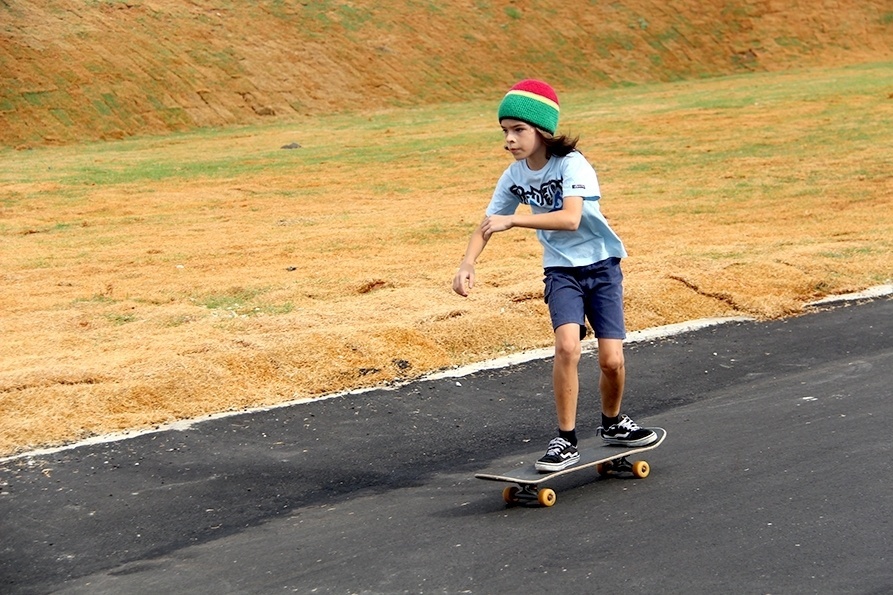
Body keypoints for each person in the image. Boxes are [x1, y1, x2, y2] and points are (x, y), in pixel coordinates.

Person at [451, 79, 657, 472]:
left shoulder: (572, 164)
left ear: (542, 130)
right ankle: (565, 440)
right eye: (504, 131)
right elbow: (487, 222)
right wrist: (467, 263)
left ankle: (613, 424)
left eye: (518, 130)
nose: (509, 140)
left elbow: (570, 217)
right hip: (561, 270)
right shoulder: (513, 176)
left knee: (611, 360)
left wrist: (515, 219)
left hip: (602, 265)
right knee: (567, 347)